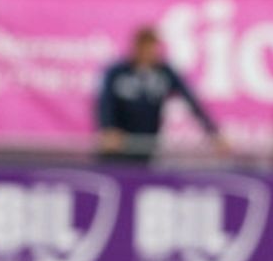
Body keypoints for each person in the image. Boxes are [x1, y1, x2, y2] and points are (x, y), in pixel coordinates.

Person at [96, 26, 228, 164]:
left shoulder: (164, 72)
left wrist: (213, 133)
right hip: (118, 145)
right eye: (146, 47)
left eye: (153, 47)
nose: (150, 52)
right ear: (137, 47)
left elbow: (191, 101)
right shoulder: (117, 72)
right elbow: (105, 102)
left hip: (147, 144)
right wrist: (108, 128)